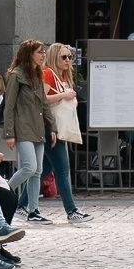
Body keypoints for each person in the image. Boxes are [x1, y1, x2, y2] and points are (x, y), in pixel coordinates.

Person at [42, 42, 93, 225]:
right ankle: (71, 210)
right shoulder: (48, 73)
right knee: (62, 170)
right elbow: (43, 99)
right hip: (52, 128)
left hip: (59, 129)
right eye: (63, 57)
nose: (67, 60)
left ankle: (21, 204)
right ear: (54, 57)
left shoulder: (64, 76)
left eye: (69, 57)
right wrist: (64, 96)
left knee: (44, 170)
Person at [2, 38, 51, 222]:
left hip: (38, 128)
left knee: (37, 171)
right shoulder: (16, 75)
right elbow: (9, 106)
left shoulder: (38, 74)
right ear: (29, 54)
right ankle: (3, 190)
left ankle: (33, 210)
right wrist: (9, 133)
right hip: (23, 128)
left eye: (44, 52)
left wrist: (51, 127)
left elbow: (44, 104)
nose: (43, 55)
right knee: (29, 167)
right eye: (40, 52)